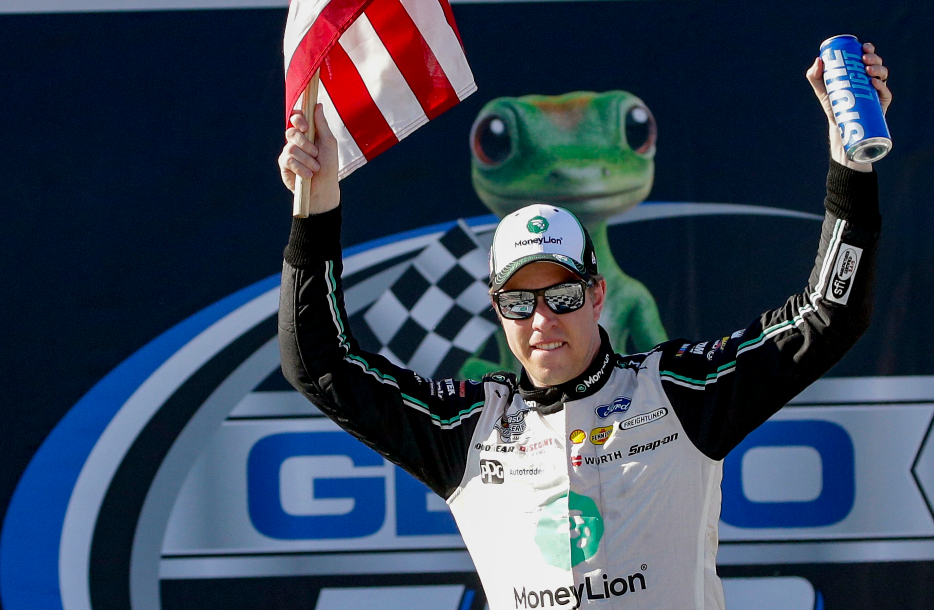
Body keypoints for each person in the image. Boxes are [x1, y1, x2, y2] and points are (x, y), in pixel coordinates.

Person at [277, 44, 891, 610]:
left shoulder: (678, 392)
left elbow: (829, 314)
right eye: (520, 302)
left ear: (597, 296)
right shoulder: (467, 429)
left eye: (563, 296)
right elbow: (319, 364)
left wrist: (849, 162)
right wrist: (317, 204)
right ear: (497, 309)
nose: (542, 319)